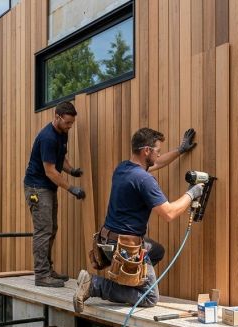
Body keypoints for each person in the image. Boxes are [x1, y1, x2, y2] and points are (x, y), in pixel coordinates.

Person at [73, 127, 202, 312]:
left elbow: (157, 163)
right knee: (150, 297)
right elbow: (169, 213)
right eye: (157, 150)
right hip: (125, 249)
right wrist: (192, 193)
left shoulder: (123, 168)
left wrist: (180, 150)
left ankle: (126, 282)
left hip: (107, 241)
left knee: (156, 251)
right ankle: (94, 285)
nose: (159, 155)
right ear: (146, 151)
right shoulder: (144, 180)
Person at [24, 101, 86, 287]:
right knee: (43, 230)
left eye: (72, 123)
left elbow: (60, 158)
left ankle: (47, 269)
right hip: (37, 188)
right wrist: (71, 188)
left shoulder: (62, 133)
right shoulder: (48, 137)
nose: (70, 126)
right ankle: (41, 275)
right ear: (57, 117)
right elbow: (50, 170)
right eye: (67, 122)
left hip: (48, 187)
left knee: (51, 228)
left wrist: (71, 170)